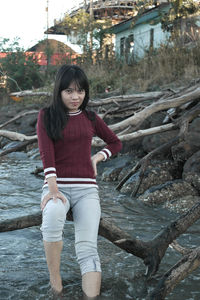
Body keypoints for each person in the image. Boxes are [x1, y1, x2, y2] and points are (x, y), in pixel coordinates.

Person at [37, 64, 122, 298]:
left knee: (87, 248)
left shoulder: (91, 118)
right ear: (59, 91)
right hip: (57, 185)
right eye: (69, 91)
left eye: (80, 91)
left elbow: (115, 143)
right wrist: (52, 189)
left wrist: (97, 157)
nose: (76, 97)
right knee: (53, 214)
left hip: (87, 190)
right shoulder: (47, 115)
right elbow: (46, 153)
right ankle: (57, 286)